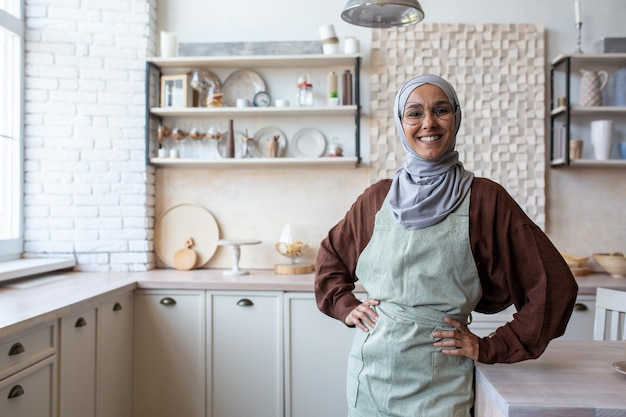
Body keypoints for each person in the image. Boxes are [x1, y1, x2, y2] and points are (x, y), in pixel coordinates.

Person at [314, 74, 578, 417]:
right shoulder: (376, 198)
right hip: (370, 378)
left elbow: (553, 285)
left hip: (441, 382)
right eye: (414, 113)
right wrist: (345, 305)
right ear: (401, 122)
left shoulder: (486, 199)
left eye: (441, 110)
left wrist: (492, 347)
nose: (428, 123)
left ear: (456, 117)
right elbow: (330, 258)